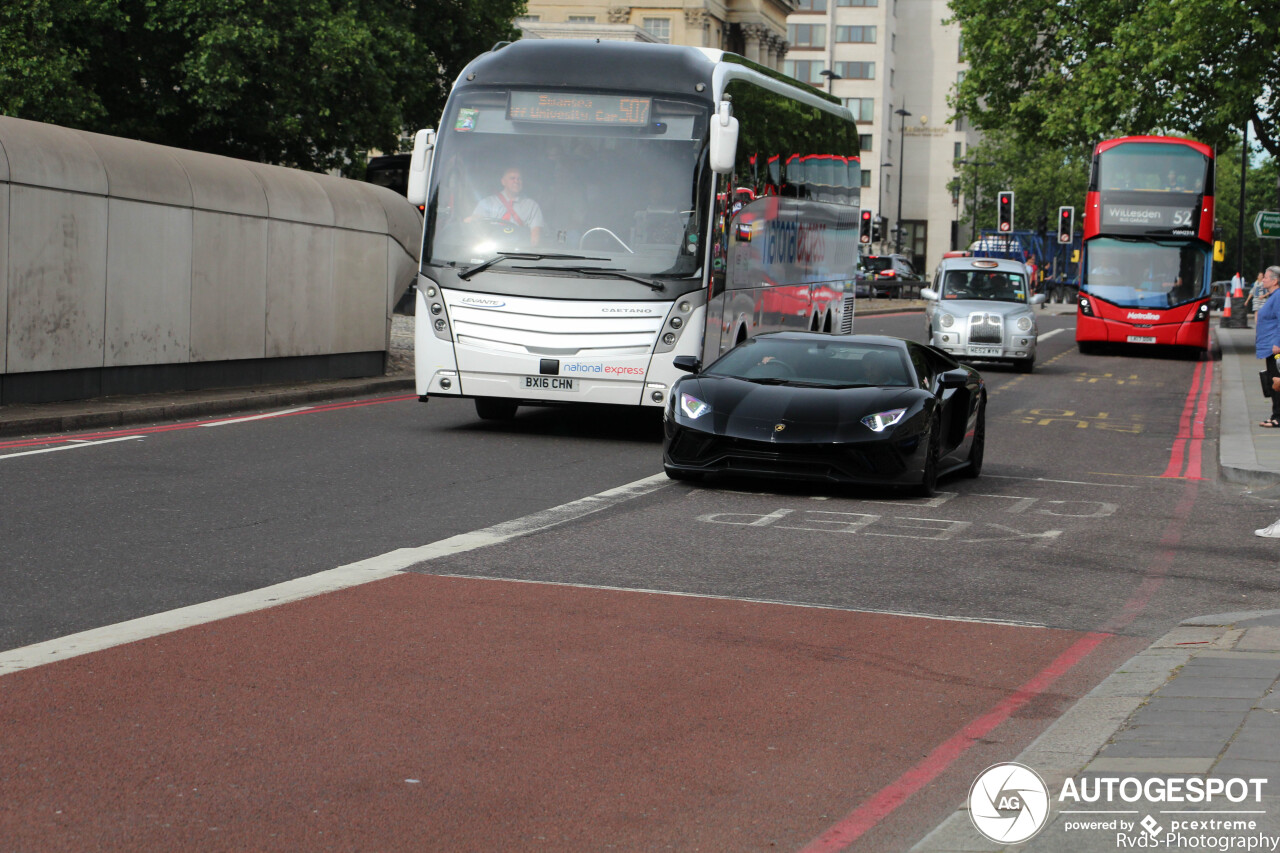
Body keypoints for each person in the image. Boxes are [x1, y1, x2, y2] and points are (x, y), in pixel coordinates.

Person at [466, 166, 545, 245]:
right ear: (503, 182)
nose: (516, 181)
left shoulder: (531, 206)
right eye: (512, 178)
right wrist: (473, 219)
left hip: (519, 250)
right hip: (491, 250)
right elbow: (477, 222)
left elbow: (535, 234)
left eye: (519, 179)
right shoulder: (487, 202)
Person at [1254, 266, 1280, 433]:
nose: (1263, 280)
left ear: (1275, 281)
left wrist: (1277, 343)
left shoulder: (1278, 297)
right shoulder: (1273, 296)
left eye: (1266, 278)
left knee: (1276, 382)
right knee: (1272, 381)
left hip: (1274, 348)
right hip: (1269, 346)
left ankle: (1277, 418)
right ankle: (1274, 415)